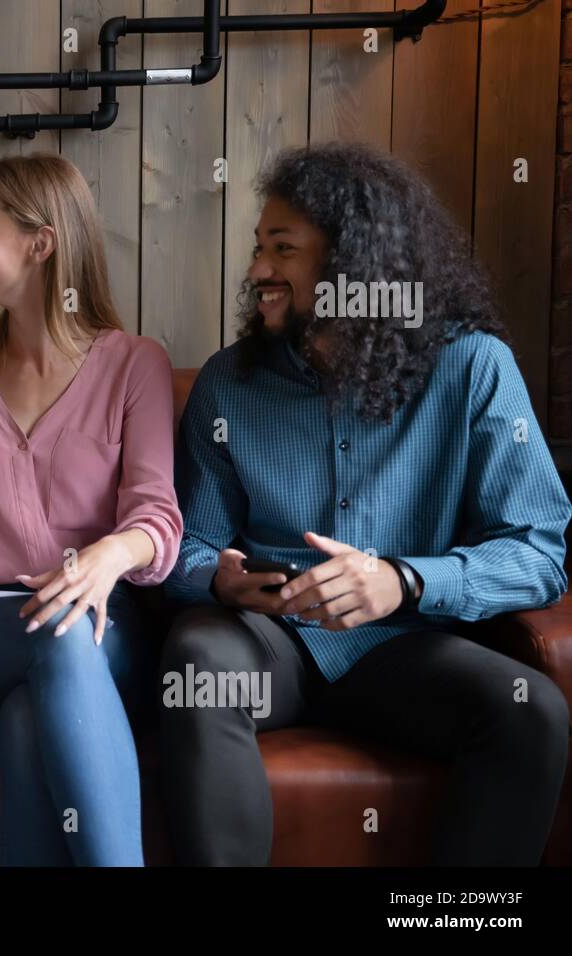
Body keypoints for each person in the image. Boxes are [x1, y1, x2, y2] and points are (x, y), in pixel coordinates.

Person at [161, 142, 572, 865]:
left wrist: (404, 580)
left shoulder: (473, 367)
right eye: (260, 247)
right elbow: (187, 543)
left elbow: (540, 552)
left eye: (281, 250)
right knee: (198, 664)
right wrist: (217, 576)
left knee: (529, 710)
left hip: (405, 648)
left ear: (356, 263)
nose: (258, 270)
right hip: (271, 642)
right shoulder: (229, 383)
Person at [0, 154, 182, 866]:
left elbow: (157, 518)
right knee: (54, 637)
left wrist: (107, 555)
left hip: (101, 627)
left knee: (30, 717)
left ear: (39, 243)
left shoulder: (133, 363)